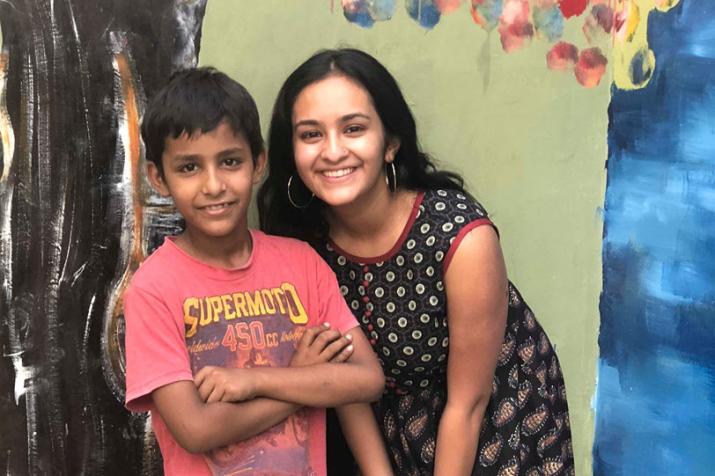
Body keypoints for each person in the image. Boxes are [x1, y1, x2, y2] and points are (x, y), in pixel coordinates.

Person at [258, 48, 575, 476]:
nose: (332, 151)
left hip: (494, 423)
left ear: (390, 143)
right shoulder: (303, 247)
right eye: (311, 135)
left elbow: (469, 403)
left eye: (353, 129)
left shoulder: (459, 236)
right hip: (389, 431)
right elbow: (345, 384)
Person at [123, 67, 385, 476]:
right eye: (189, 168)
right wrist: (302, 379)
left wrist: (256, 381)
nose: (213, 185)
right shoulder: (153, 288)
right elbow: (194, 430)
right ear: (158, 177)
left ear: (257, 163)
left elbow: (367, 379)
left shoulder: (301, 264)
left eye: (229, 161)